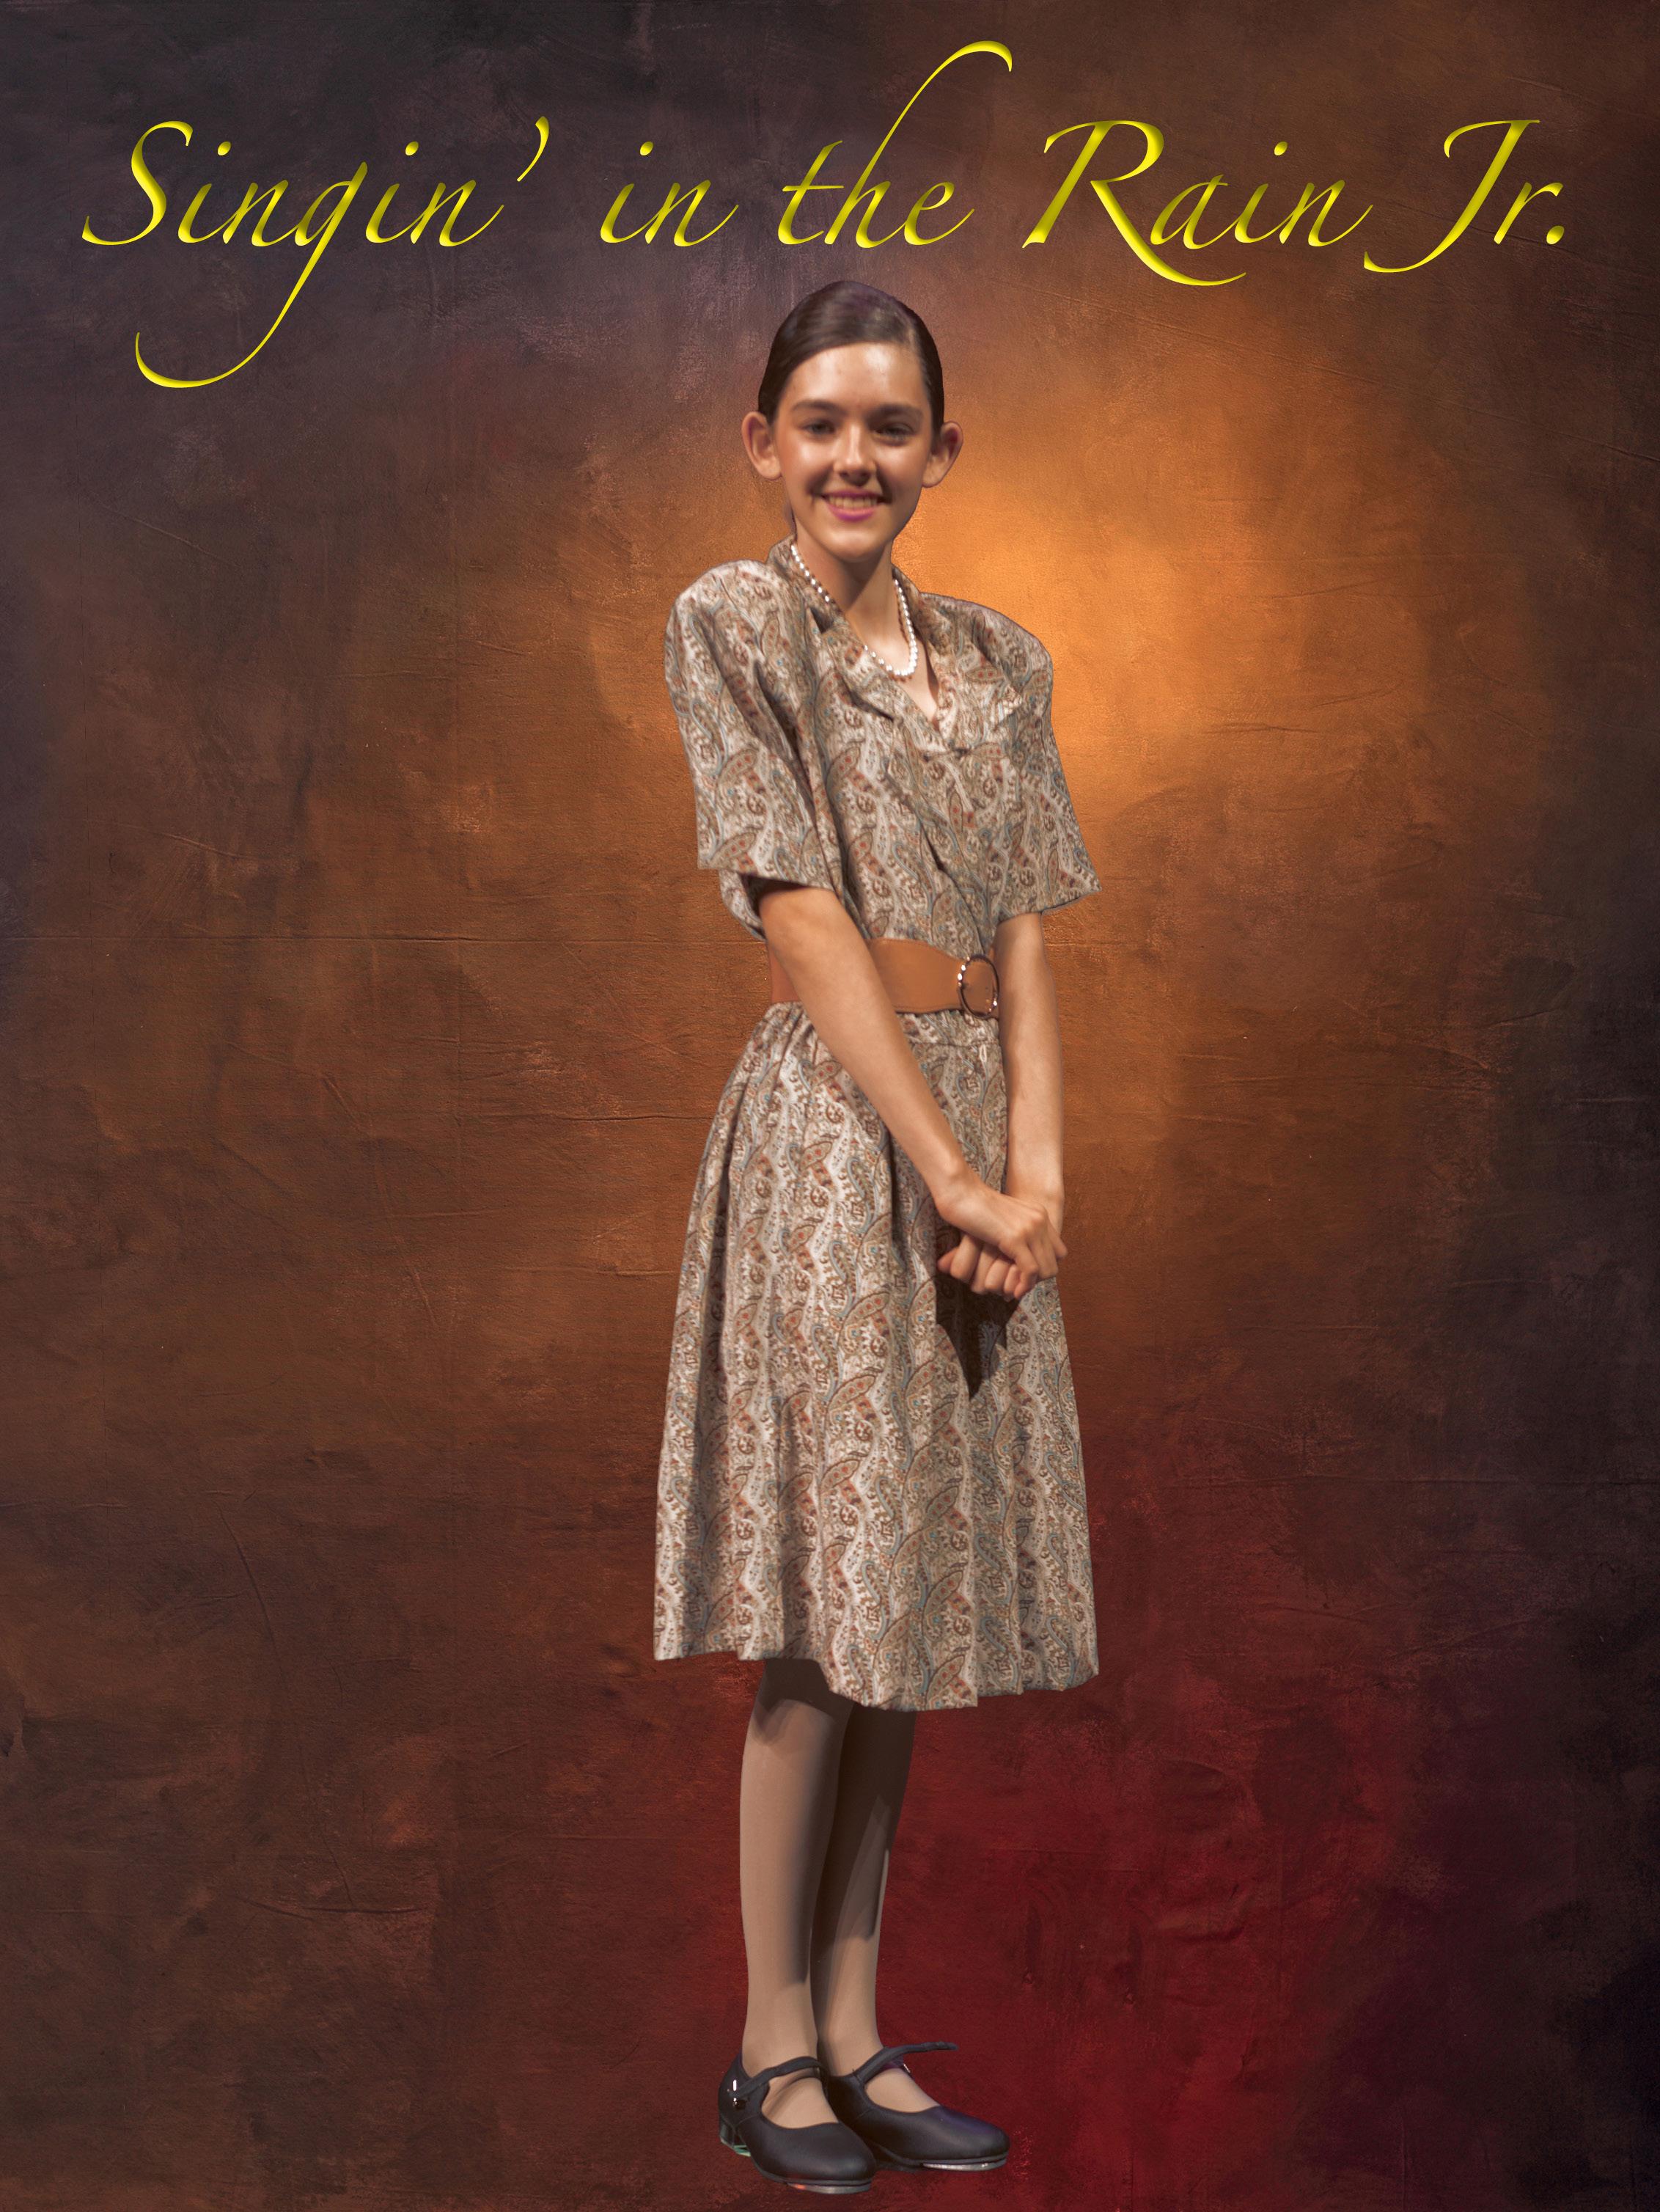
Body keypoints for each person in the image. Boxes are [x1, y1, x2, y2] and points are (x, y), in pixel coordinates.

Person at [655, 278, 1103, 2194]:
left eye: (891, 425)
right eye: (822, 422)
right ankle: (771, 2045)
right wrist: (945, 1171)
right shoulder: (732, 622)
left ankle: (856, 2032)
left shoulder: (1000, 659)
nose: (856, 456)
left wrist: (1037, 1176)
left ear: (942, 449)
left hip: (979, 1140)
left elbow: (1023, 931)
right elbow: (802, 912)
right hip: (845, 1143)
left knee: (909, 1606)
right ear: (766, 441)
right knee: (828, 1616)